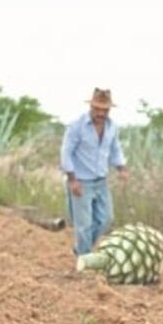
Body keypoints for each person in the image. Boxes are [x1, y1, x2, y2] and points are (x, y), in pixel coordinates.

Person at [60, 88, 128, 255]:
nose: (100, 113)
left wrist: (121, 168)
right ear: (91, 106)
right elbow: (66, 152)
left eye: (104, 109)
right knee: (84, 224)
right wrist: (72, 179)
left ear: (109, 110)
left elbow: (115, 149)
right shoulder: (77, 126)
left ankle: (81, 250)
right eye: (97, 108)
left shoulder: (112, 127)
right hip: (81, 181)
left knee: (106, 219)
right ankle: (83, 258)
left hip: (101, 181)